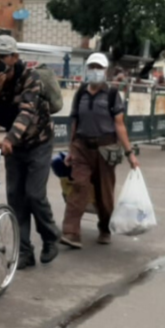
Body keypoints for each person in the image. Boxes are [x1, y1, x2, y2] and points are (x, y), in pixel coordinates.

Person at [0, 35, 61, 269]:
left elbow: (27, 113)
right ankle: (25, 252)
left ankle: (50, 237)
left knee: (34, 194)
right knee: (15, 199)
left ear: (15, 57)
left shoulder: (31, 78)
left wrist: (9, 138)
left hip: (38, 142)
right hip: (15, 147)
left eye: (3, 56)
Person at [62, 53, 140, 249]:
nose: (95, 71)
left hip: (105, 149)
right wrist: (71, 149)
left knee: (104, 194)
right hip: (81, 148)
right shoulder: (80, 93)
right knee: (79, 186)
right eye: (92, 67)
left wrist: (130, 153)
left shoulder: (112, 95)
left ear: (105, 71)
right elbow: (75, 122)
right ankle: (71, 232)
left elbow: (120, 125)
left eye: (99, 68)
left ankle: (105, 228)